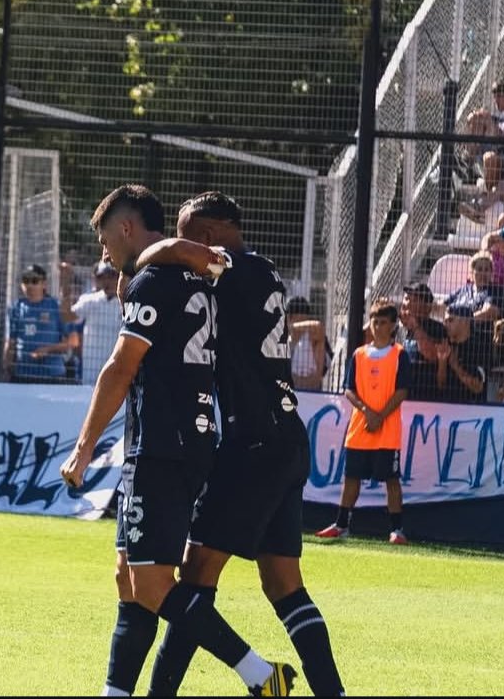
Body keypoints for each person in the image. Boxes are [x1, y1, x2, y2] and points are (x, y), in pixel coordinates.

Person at [57, 185, 294, 697]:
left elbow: (120, 367)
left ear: (127, 228)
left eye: (105, 239)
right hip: (187, 439)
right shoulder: (192, 276)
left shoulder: (154, 278)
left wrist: (83, 447)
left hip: (163, 444)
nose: (103, 252)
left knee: (151, 584)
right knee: (129, 577)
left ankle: (260, 674)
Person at [130, 190, 343, 696]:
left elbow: (164, 256)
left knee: (196, 573)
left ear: (208, 236)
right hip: (287, 437)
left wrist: (150, 253)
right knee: (283, 583)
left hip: (254, 442)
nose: (182, 245)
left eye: (187, 235)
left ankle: (170, 693)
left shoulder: (227, 268)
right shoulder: (263, 270)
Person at [315, 300, 410, 545]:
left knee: (391, 479)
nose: (377, 327)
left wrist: (380, 416)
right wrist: (367, 412)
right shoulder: (359, 354)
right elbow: (349, 389)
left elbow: (401, 391)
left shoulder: (400, 355)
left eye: (383, 322)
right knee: (351, 478)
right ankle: (341, 524)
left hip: (387, 430)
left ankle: (397, 529)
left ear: (393, 326)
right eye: (374, 322)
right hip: (360, 428)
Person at [3, 264, 70, 383]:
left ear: (44, 284)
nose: (29, 285)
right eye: (25, 281)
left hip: (52, 375)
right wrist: (6, 368)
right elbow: (10, 342)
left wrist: (47, 349)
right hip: (23, 374)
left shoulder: (55, 306)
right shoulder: (16, 308)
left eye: (34, 281)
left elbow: (69, 343)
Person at [61, 260, 122, 386]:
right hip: (91, 372)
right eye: (102, 277)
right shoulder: (90, 300)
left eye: (111, 276)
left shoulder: (127, 303)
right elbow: (67, 317)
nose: (107, 281)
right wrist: (65, 284)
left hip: (117, 371)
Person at [286, 297, 329, 391]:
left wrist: (291, 326)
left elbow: (318, 326)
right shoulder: (283, 342)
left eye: (303, 321)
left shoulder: (312, 338)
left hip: (310, 394)